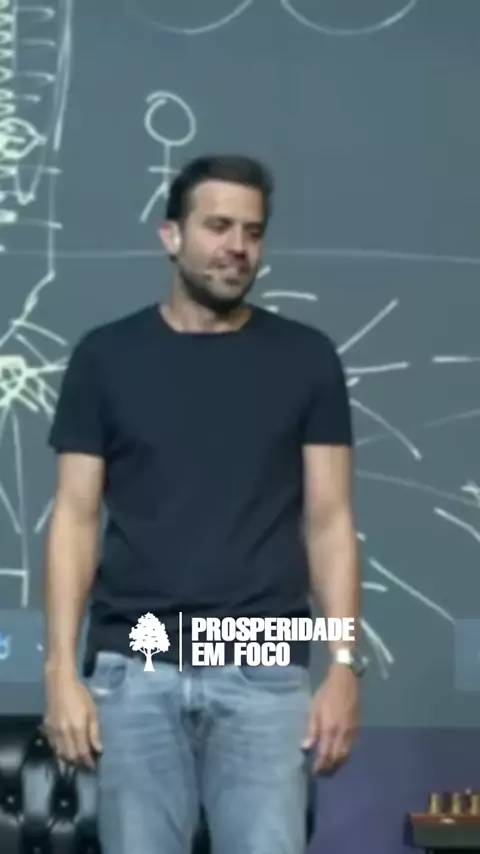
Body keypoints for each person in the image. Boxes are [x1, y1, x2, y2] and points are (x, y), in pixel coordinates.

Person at [43, 154, 364, 854]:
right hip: (138, 659)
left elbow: (331, 523)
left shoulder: (307, 359)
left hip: (262, 665)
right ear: (171, 235)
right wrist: (60, 670)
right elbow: (73, 518)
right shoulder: (105, 357)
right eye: (218, 226)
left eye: (252, 231)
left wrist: (343, 664)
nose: (237, 246)